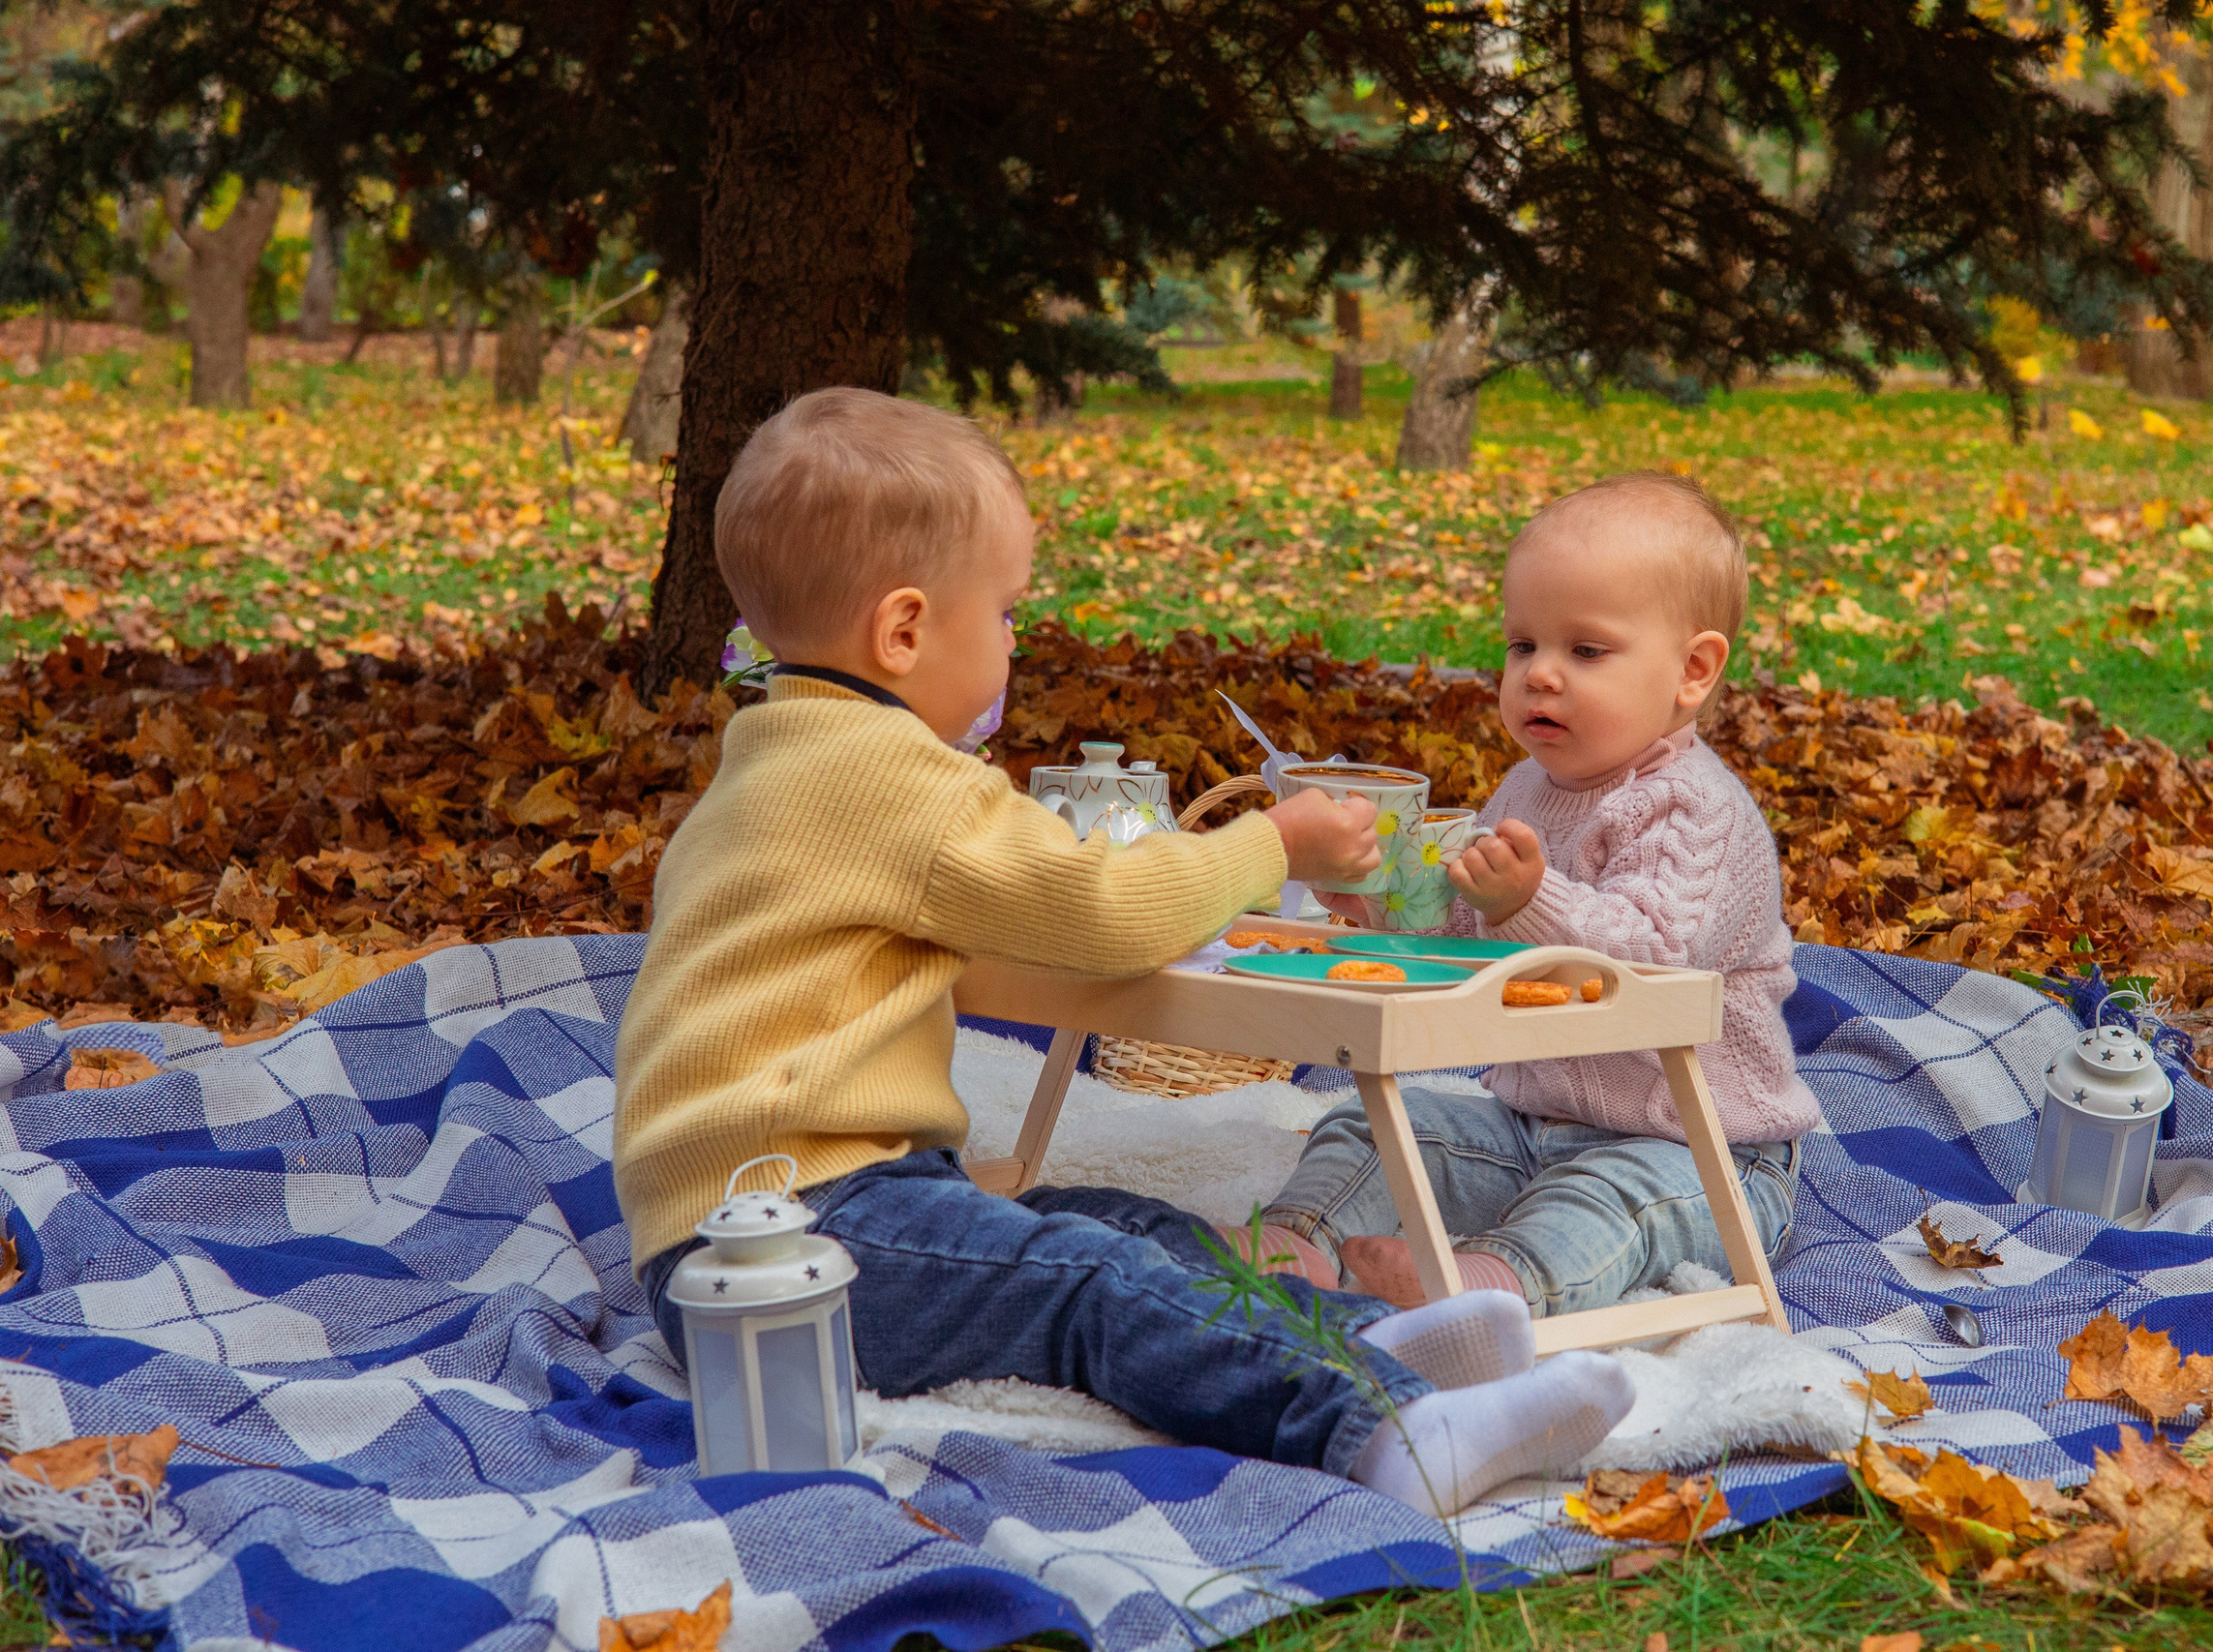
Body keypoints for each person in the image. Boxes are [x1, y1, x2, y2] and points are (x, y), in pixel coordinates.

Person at [615, 388, 1633, 1517]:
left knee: (1118, 1222)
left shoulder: (770, 756)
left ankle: (1370, 1341)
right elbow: (1109, 909)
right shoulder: (891, 778)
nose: (1013, 641)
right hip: (788, 1237)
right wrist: (1271, 840)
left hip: (755, 1217)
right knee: (1089, 1279)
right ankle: (1385, 1430)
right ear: (903, 631)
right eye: (1003, 616)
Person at [1228, 471, 1818, 1317]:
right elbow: (1471, 924)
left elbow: (1651, 959)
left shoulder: (1695, 808)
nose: (1540, 674)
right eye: (1521, 646)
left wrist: (1528, 901)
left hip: (1695, 1146)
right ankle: (1295, 1241)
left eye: (1584, 651)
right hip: (1530, 1126)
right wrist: (1389, 910)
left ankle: (1491, 1286)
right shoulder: (1524, 788)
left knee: (1607, 1204)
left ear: (1691, 671)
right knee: (1369, 1128)